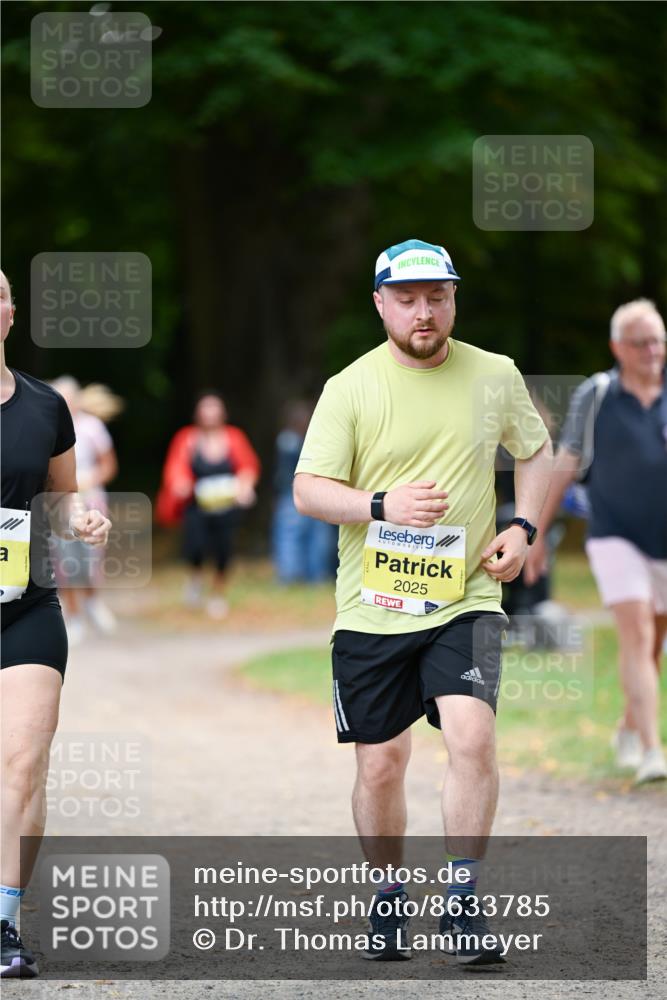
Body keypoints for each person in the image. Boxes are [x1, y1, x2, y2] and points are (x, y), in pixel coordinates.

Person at [294, 239, 552, 963]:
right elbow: (307, 490)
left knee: (471, 736)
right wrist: (379, 504)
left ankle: (463, 901)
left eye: (435, 295)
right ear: (379, 303)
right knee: (380, 765)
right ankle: (385, 901)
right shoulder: (349, 387)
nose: (423, 311)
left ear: (452, 299)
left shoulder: (493, 375)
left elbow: (535, 450)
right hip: (372, 607)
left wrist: (523, 526)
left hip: (465, 596)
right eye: (406, 298)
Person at [0, 270, 111, 978]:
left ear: (9, 313)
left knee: (22, 764)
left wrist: (83, 519)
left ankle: (3, 921)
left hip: (25, 607)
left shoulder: (45, 406)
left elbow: (62, 496)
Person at [525, 298, 667, 784]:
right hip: (614, 535)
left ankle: (629, 727)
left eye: (658, 341)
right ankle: (653, 750)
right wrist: (535, 535)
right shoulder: (598, 394)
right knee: (638, 633)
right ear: (617, 347)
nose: (652, 350)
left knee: (652, 647)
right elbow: (564, 467)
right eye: (640, 342)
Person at [156, 391, 260, 619]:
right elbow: (176, 468)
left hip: (226, 506)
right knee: (195, 547)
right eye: (206, 409)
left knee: (224, 551)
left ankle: (217, 594)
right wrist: (179, 484)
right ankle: (195, 580)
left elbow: (248, 467)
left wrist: (245, 486)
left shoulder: (234, 437)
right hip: (197, 506)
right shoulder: (188, 438)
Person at [50, 377, 122, 645]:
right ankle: (74, 614)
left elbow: (109, 465)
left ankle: (92, 601)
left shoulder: (92, 427)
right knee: (66, 561)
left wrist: (91, 479)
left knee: (90, 558)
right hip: (59, 502)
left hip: (91, 500)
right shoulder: (49, 426)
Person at [272, 400, 337, 583]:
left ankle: (316, 576)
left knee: (317, 539)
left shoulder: (305, 440)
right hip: (290, 494)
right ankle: (289, 577)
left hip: (314, 493)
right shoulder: (288, 440)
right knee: (291, 538)